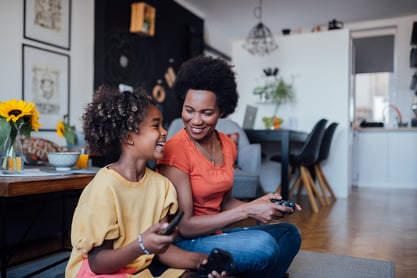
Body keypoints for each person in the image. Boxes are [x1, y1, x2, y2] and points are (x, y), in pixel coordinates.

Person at [157, 55, 302, 278]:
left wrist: (260, 204)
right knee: (264, 247)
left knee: (289, 234)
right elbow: (184, 226)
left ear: (222, 111)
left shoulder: (226, 144)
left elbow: (224, 203)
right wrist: (248, 209)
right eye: (189, 110)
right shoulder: (176, 150)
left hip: (217, 234)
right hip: (186, 242)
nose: (195, 120)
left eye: (206, 113)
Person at [66, 86, 230, 278]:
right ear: (128, 137)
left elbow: (163, 249)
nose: (164, 132)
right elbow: (98, 263)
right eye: (155, 126)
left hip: (137, 272)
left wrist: (202, 262)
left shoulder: (163, 186)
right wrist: (142, 244)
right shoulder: (105, 186)